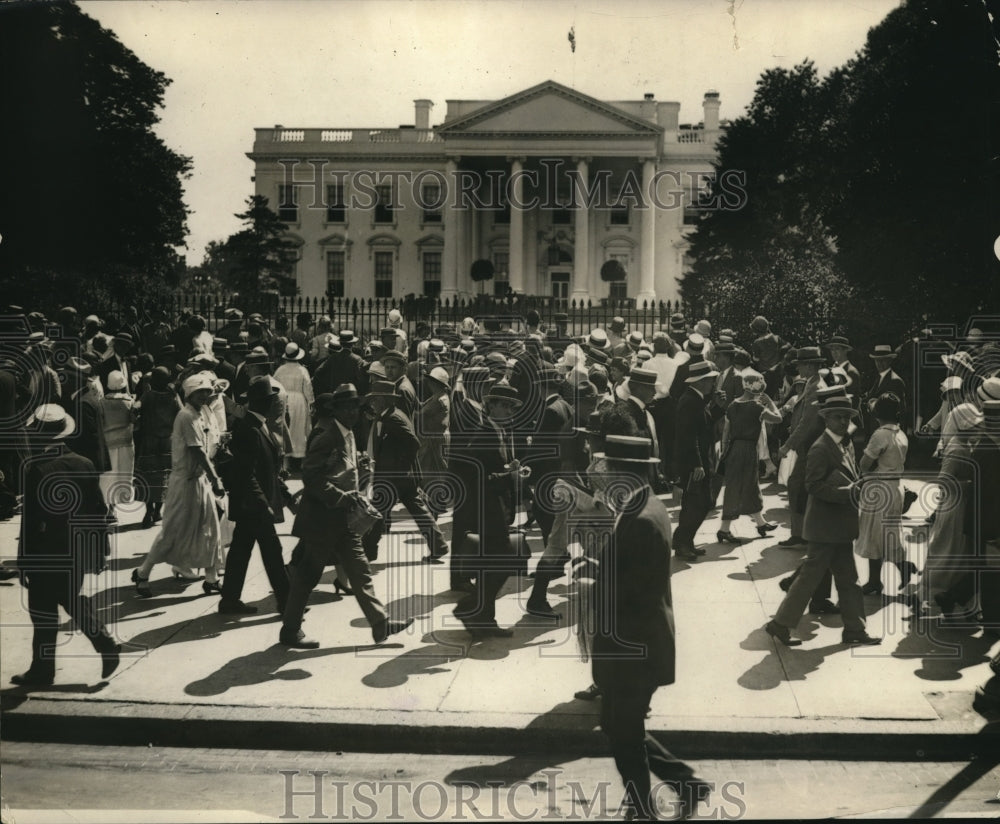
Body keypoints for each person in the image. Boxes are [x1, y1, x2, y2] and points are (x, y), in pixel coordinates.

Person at [581, 434, 711, 821]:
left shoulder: (638, 518)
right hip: (640, 641)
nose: (601, 475)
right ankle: (684, 784)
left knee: (623, 731)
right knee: (618, 724)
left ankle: (643, 810)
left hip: (634, 646)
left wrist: (594, 581)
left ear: (622, 472)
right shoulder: (645, 504)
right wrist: (600, 566)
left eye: (606, 468)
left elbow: (633, 591)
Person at [280, 385, 413, 648]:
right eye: (347, 408)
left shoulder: (349, 434)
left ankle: (380, 624)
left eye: (355, 407)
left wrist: (358, 470)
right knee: (307, 576)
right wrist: (341, 497)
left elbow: (338, 470)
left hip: (343, 519)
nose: (353, 412)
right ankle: (290, 631)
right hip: (321, 521)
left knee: (360, 571)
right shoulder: (327, 437)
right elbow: (312, 477)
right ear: (336, 410)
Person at [12, 404, 120, 686]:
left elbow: (31, 522)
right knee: (68, 597)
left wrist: (24, 561)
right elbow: (99, 511)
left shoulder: (36, 469)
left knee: (43, 611)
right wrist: (100, 550)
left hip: (47, 552)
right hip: (79, 549)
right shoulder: (84, 463)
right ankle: (98, 645)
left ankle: (45, 669)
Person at [765, 393, 881, 647]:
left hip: (837, 527)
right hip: (824, 527)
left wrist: (857, 486)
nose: (843, 421)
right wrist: (847, 492)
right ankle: (780, 624)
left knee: (848, 581)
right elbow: (813, 486)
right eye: (838, 417)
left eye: (846, 417)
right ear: (826, 419)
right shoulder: (820, 448)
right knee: (809, 580)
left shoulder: (843, 445)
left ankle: (855, 630)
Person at [131, 373, 225, 597]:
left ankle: (211, 578)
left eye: (207, 392)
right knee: (171, 532)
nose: (205, 396)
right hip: (184, 483)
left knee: (211, 529)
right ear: (189, 394)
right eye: (200, 392)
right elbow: (197, 451)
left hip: (199, 480)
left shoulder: (200, 413)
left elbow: (206, 447)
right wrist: (216, 479)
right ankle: (143, 573)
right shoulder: (186, 416)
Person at [452, 382, 523, 638]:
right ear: (491, 406)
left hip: (496, 506)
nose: (509, 411)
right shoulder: (485, 433)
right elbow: (477, 476)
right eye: (504, 405)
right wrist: (507, 475)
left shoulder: (499, 431)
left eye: (512, 406)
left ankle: (484, 619)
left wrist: (509, 470)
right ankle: (470, 607)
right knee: (505, 560)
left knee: (489, 564)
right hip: (487, 508)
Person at [219, 376, 291, 615]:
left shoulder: (257, 425)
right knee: (272, 552)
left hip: (251, 504)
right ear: (263, 403)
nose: (273, 404)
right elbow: (246, 473)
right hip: (254, 505)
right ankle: (287, 602)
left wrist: (283, 493)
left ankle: (229, 600)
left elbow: (264, 469)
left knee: (240, 551)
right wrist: (263, 504)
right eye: (270, 400)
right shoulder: (249, 429)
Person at [361, 380, 449, 564]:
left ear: (383, 400)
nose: (372, 403)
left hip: (395, 477)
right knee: (417, 510)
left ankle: (367, 552)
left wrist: (399, 468)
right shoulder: (392, 415)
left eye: (375, 399)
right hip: (403, 477)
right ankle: (439, 546)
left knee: (376, 512)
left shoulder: (393, 418)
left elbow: (413, 443)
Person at [855, 393, 915, 594]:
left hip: (880, 488)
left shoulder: (880, 434)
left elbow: (864, 464)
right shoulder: (901, 434)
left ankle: (878, 579)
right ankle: (895, 571)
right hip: (894, 487)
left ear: (878, 413)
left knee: (875, 535)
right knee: (888, 534)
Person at [717, 369, 782, 542]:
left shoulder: (732, 405)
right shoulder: (757, 407)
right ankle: (724, 529)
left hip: (733, 448)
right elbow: (778, 419)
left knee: (745, 485)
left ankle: (760, 523)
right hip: (748, 449)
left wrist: (724, 451)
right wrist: (770, 402)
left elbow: (726, 431)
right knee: (745, 485)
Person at [671, 360, 723, 559]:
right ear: (701, 381)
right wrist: (696, 464)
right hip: (694, 462)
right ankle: (682, 542)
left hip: (699, 460)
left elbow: (705, 425)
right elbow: (688, 436)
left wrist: (718, 408)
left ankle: (685, 541)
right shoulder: (690, 401)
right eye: (710, 380)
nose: (712, 384)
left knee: (700, 503)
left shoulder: (696, 399)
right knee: (696, 503)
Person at [135, 366, 181, 528]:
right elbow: (181, 412)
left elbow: (136, 407)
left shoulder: (149, 395)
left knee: (148, 477)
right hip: (168, 441)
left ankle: (148, 511)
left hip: (149, 441)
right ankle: (157, 512)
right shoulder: (173, 396)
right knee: (164, 477)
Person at [273, 341, 314, 472]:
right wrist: (311, 401)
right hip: (299, 401)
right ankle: (301, 462)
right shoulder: (302, 370)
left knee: (286, 428)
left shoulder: (280, 370)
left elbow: (274, 385)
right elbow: (308, 387)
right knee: (300, 428)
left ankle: (286, 463)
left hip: (285, 399)